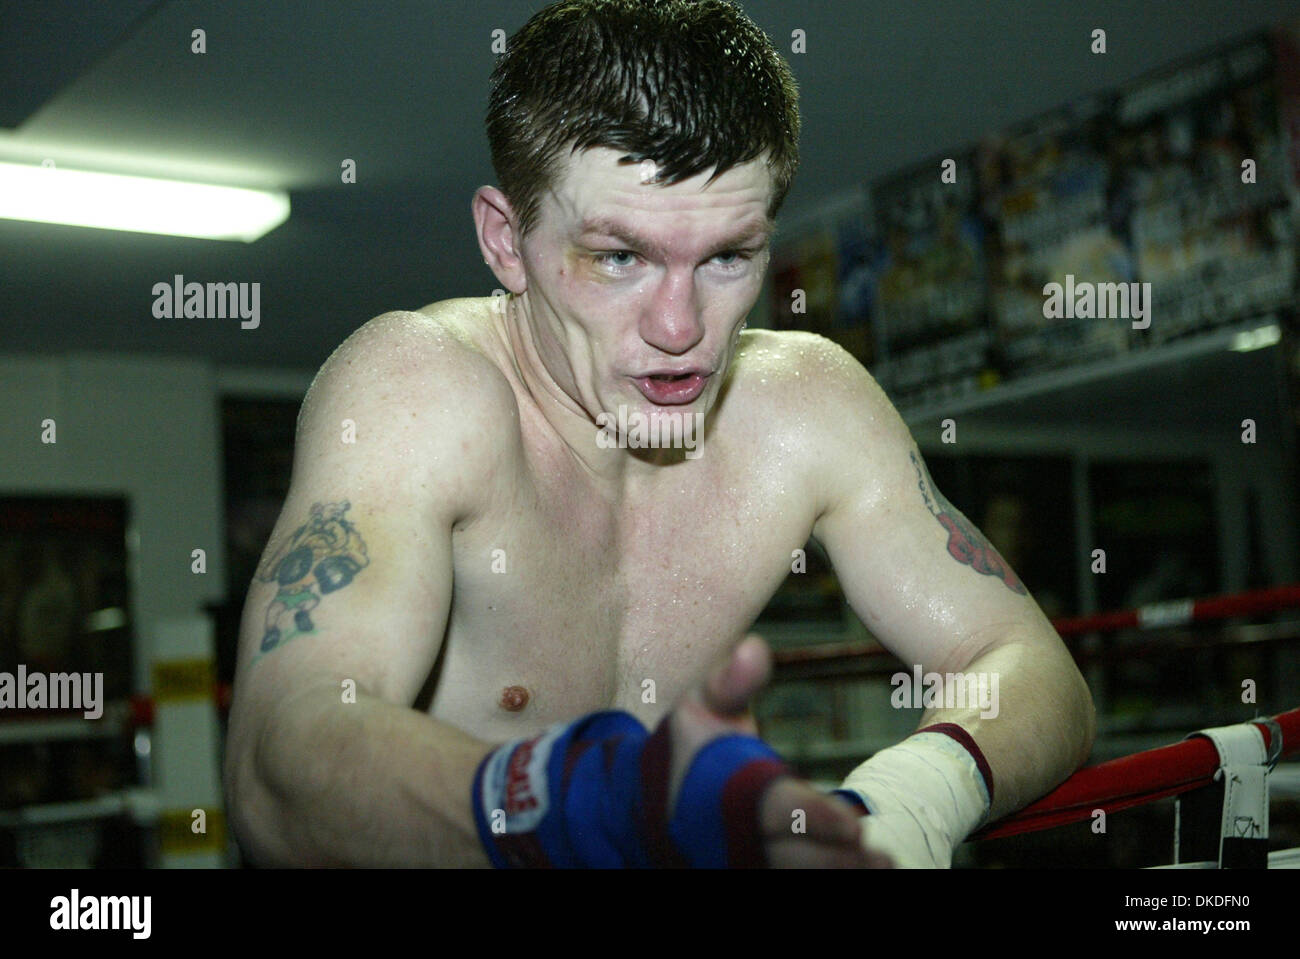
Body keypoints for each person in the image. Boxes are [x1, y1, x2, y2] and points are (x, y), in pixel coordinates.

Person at [224, 0, 1094, 868]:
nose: (680, 325)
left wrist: (908, 800)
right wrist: (578, 807)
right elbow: (279, 759)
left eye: (727, 256)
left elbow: (1028, 663)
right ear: (505, 240)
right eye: (618, 257)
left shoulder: (804, 405)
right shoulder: (420, 390)